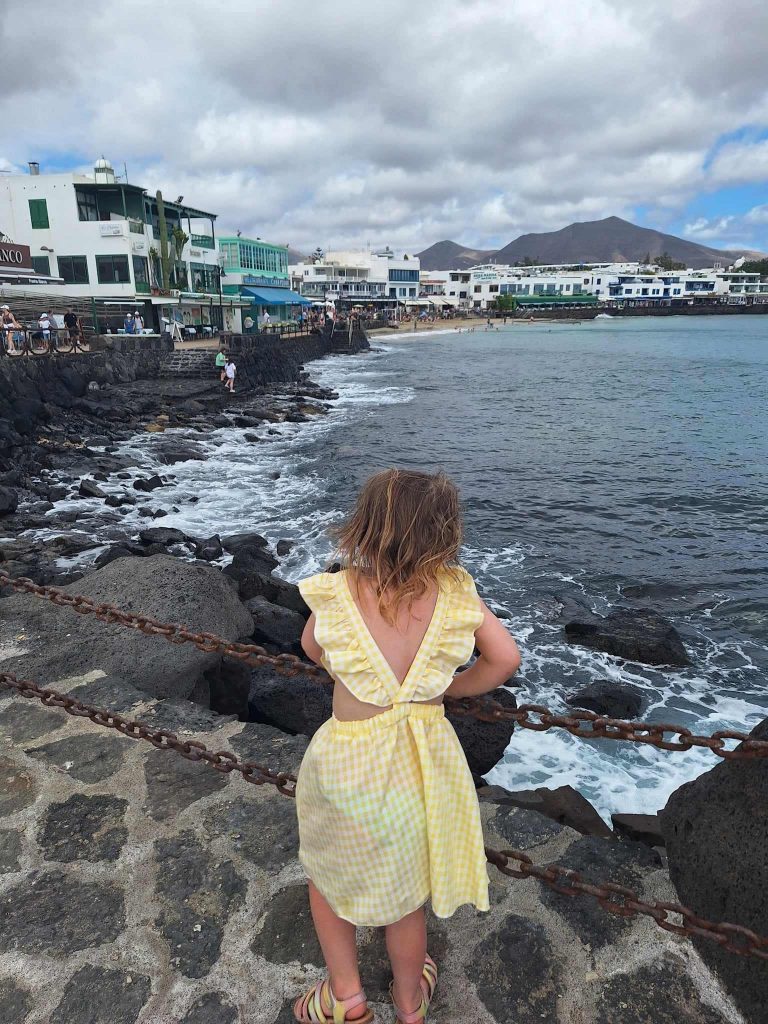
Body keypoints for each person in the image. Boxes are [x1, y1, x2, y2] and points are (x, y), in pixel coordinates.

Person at [292, 469, 521, 1024]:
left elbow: (309, 647)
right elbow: (506, 659)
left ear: (364, 527)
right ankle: (409, 1001)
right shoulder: (455, 594)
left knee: (327, 878)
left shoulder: (339, 592)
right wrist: (450, 686)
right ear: (444, 536)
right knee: (405, 897)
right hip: (419, 766)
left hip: (348, 763)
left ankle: (345, 997)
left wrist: (357, 674)